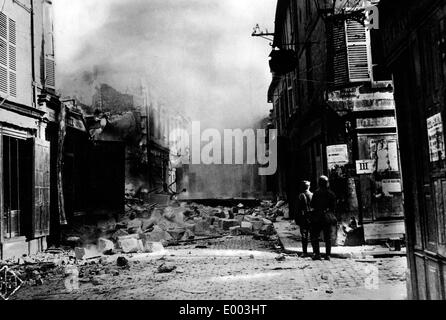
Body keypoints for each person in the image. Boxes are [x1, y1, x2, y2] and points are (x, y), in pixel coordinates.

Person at [310, 175, 337, 261]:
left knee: (315, 236)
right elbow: (334, 207)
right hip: (327, 217)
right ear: (327, 183)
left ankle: (317, 254)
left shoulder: (316, 193)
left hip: (317, 217)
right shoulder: (331, 194)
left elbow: (312, 205)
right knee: (327, 237)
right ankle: (327, 255)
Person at [295, 181, 313, 257]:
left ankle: (305, 252)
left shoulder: (301, 196)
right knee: (313, 235)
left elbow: (297, 209)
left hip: (303, 217)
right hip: (312, 217)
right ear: (309, 187)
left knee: (304, 235)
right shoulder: (312, 195)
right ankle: (315, 252)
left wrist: (297, 219)